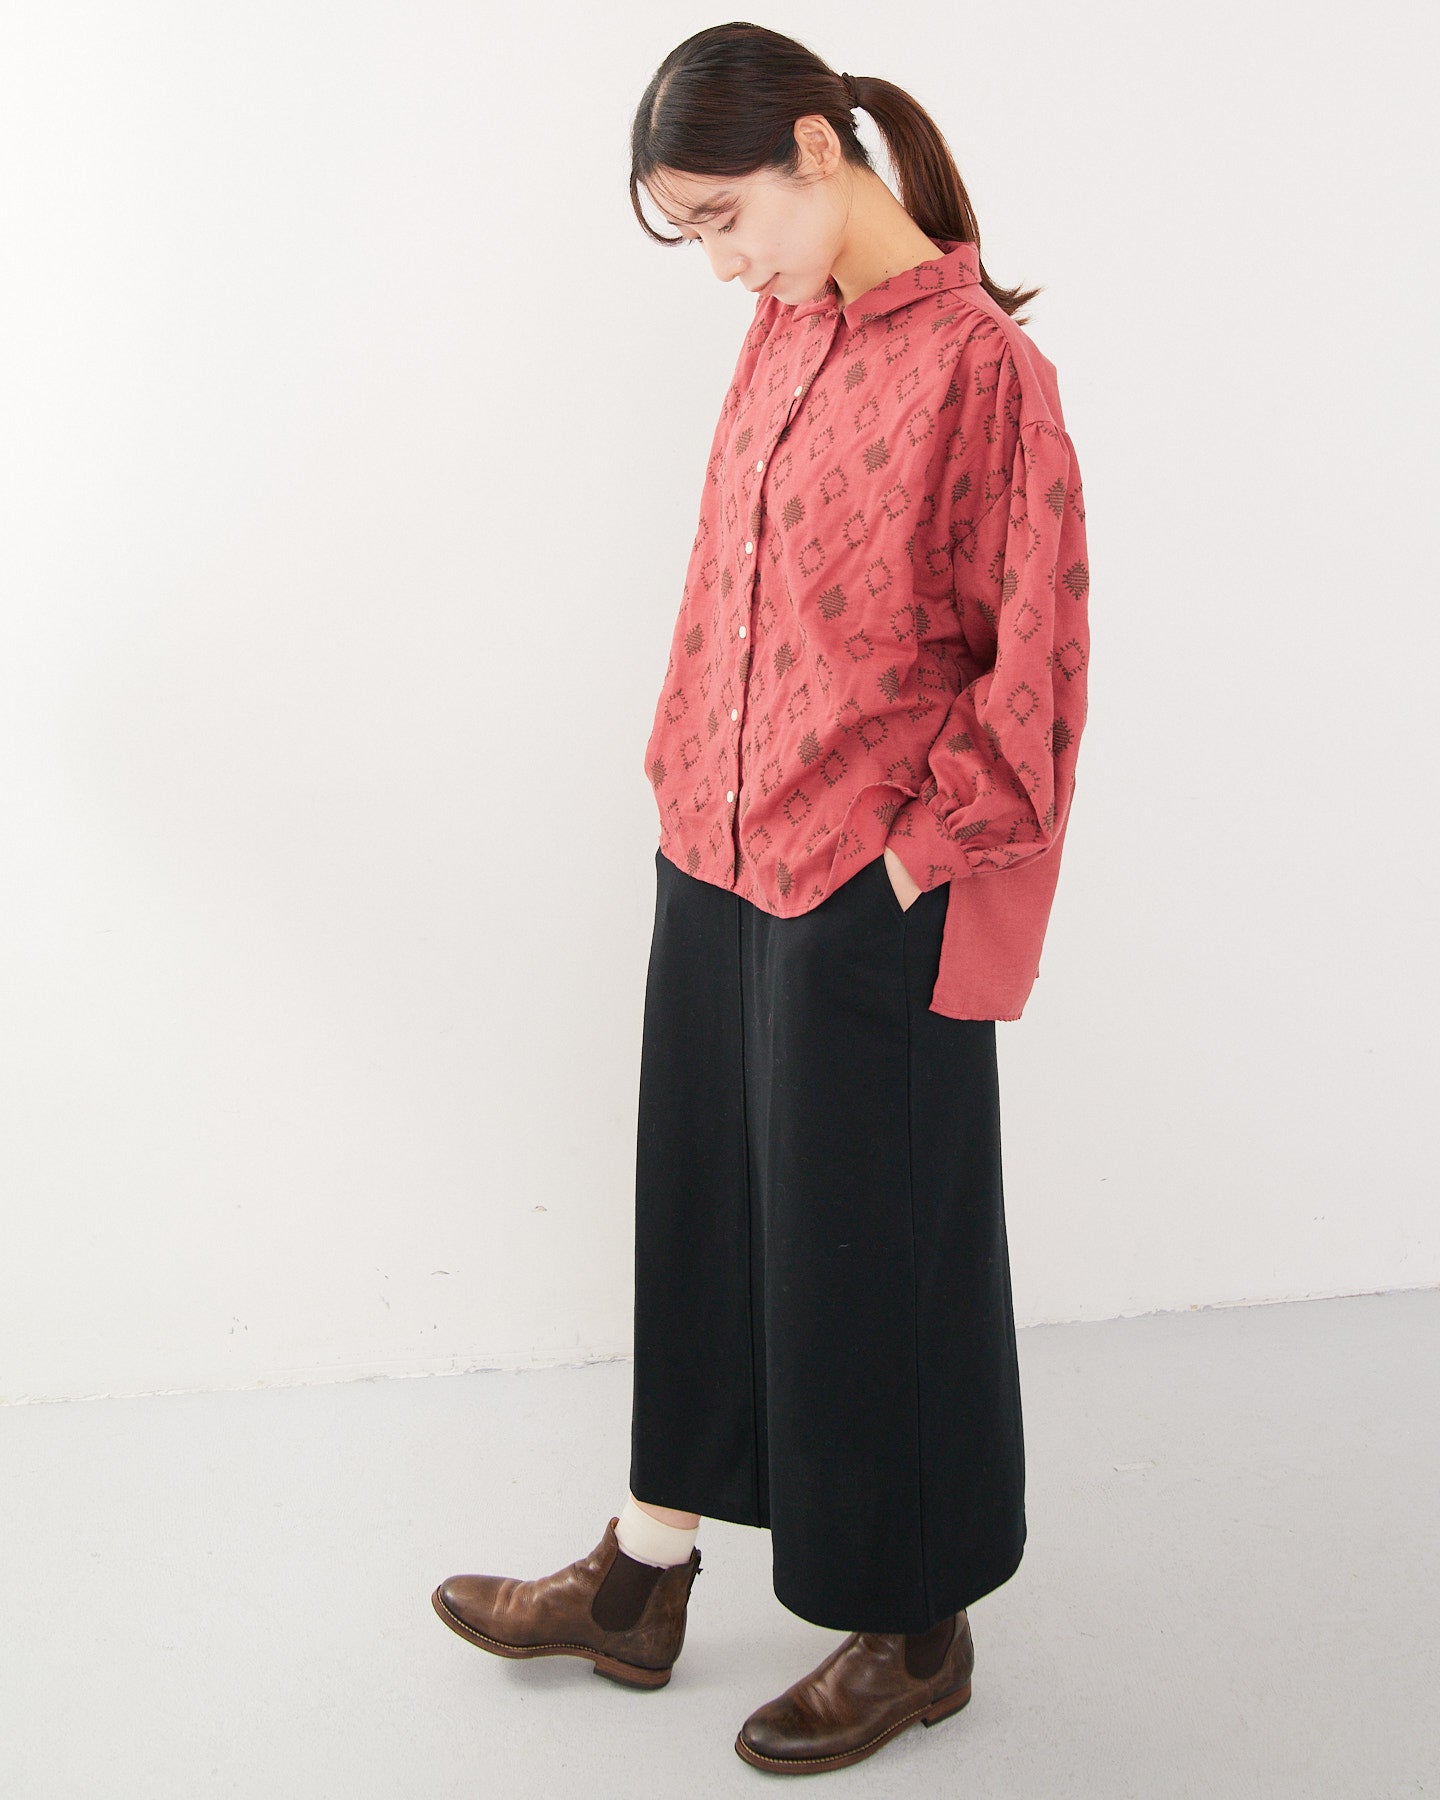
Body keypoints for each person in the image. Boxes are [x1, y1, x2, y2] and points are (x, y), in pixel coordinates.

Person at [431, 21, 1090, 1777]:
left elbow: (1032, 668)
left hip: (862, 882)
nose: (720, 263)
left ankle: (916, 1624)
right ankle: (643, 1576)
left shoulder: (983, 372)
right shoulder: (783, 332)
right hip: (716, 848)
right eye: (693, 234)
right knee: (706, 1211)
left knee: (880, 1252)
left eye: (723, 218)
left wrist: (911, 858)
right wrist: (681, 768)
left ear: (815, 148)